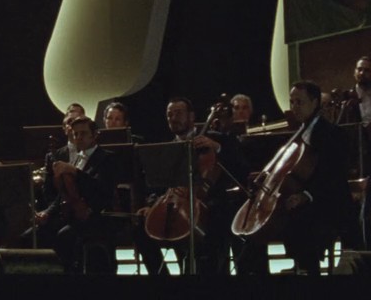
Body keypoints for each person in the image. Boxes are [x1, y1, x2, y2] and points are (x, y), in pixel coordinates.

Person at [133, 98, 250, 275]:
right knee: (140, 229)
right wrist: (151, 205)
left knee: (215, 225)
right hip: (175, 203)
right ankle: (162, 279)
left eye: (178, 113)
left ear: (191, 116)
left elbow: (242, 169)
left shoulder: (217, 139)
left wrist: (217, 147)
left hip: (212, 205)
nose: (173, 118)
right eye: (169, 114)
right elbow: (157, 186)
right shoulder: (167, 147)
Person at [275, 81, 355, 275]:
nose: (294, 107)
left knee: (301, 219)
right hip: (308, 198)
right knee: (281, 212)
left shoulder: (332, 133)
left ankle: (308, 271)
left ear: (314, 102)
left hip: (328, 201)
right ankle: (298, 267)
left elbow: (333, 175)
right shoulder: (301, 132)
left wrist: (307, 195)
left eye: (299, 102)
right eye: (292, 102)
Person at [31, 116, 118, 274]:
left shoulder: (107, 158)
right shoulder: (77, 158)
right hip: (72, 215)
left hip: (96, 215)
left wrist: (74, 172)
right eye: (75, 134)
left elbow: (101, 189)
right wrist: (47, 213)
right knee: (34, 235)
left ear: (94, 135)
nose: (78, 137)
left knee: (64, 237)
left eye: (83, 133)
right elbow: (64, 194)